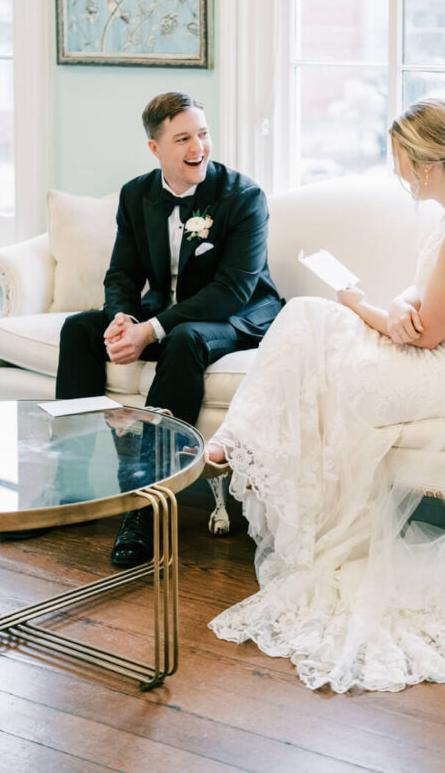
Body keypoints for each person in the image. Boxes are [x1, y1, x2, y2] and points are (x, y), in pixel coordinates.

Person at [204, 98, 445, 693]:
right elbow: (421, 305)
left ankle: (235, 438)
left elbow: (429, 338)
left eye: (398, 158)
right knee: (306, 318)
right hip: (440, 351)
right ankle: (238, 436)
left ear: (423, 164)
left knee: (315, 316)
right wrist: (390, 308)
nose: (395, 172)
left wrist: (362, 305)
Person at [55, 92, 283, 567]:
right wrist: (122, 318)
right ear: (155, 148)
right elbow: (122, 274)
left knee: (184, 338)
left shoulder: (243, 197)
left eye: (203, 134)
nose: (198, 146)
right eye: (183, 138)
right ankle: (68, 487)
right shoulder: (136, 194)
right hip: (165, 312)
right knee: (79, 329)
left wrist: (151, 330)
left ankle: (146, 508)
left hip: (236, 317)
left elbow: (232, 291)